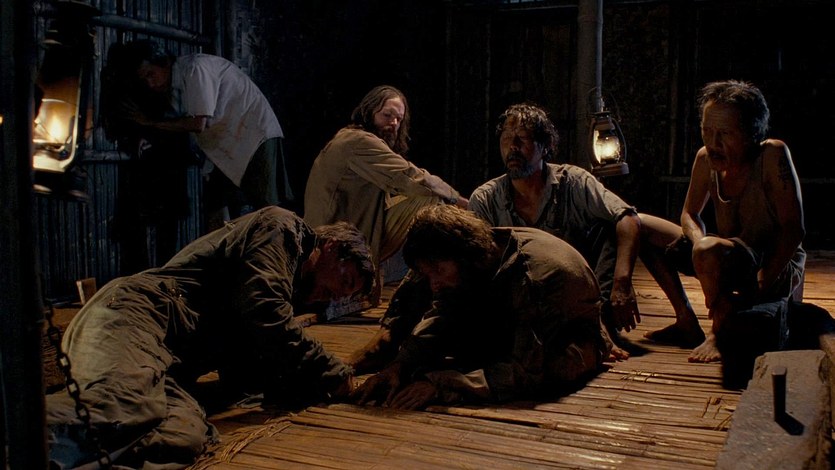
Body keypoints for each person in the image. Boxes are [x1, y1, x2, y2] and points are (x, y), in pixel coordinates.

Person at [46, 206, 375, 469]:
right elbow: (266, 312)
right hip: (138, 315)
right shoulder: (282, 228)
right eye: (345, 282)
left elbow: (253, 371)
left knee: (184, 436)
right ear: (332, 247)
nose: (336, 297)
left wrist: (314, 388)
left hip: (169, 362)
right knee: (122, 405)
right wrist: (334, 374)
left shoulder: (287, 291)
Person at [353, 205, 608, 409]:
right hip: (506, 322)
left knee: (559, 368)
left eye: (438, 271)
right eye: (429, 273)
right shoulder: (462, 265)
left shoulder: (533, 278)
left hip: (563, 334)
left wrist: (440, 385)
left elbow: (525, 371)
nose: (434, 283)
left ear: (466, 254)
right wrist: (399, 366)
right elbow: (442, 313)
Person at [641, 80, 805, 373]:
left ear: (751, 133)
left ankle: (719, 331)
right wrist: (698, 246)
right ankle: (685, 320)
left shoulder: (771, 155)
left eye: (725, 134)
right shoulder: (705, 159)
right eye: (707, 131)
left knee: (709, 250)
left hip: (769, 262)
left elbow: (794, 229)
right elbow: (689, 214)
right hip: (723, 256)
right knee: (641, 226)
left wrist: (760, 287)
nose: (713, 142)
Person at [468, 103, 642, 358]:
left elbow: (628, 218)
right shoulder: (486, 198)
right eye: (506, 139)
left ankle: (597, 327)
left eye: (522, 138)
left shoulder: (573, 182)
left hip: (578, 293)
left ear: (545, 146)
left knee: (610, 229)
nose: (512, 147)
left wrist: (622, 282)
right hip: (522, 297)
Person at [304, 85, 469, 292]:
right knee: (430, 200)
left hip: (347, 230)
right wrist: (462, 202)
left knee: (423, 200)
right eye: (387, 115)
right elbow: (410, 177)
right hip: (331, 239)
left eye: (399, 119)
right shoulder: (357, 141)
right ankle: (438, 280)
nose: (393, 123)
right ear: (369, 112)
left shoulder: (354, 139)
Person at [120, 40, 295, 232]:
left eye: (151, 74)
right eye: (145, 79)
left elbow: (198, 124)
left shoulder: (195, 69)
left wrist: (151, 123)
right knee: (217, 209)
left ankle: (282, 249)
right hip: (224, 148)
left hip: (253, 137)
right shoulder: (173, 87)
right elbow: (179, 122)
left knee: (268, 211)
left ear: (165, 63)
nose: (150, 83)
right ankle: (224, 250)